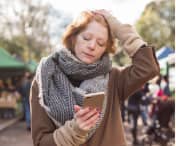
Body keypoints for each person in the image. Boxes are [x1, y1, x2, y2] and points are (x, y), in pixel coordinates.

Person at [30, 10, 160, 146]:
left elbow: (148, 67)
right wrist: (74, 131)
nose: (92, 46)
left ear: (106, 49)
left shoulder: (114, 79)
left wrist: (118, 28)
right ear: (73, 38)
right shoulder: (45, 79)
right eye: (86, 38)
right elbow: (41, 142)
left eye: (101, 43)